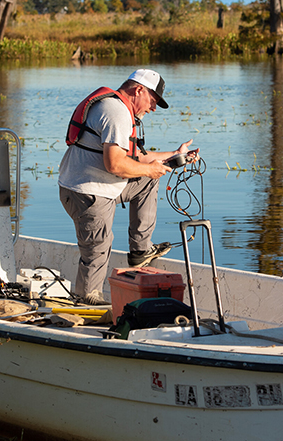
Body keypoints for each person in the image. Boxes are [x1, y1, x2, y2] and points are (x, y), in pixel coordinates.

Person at [58, 68, 199, 304]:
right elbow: (114, 164)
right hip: (87, 192)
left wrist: (175, 155)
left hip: (95, 186)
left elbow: (136, 158)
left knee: (147, 181)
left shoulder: (118, 108)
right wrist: (151, 169)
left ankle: (140, 250)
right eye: (153, 101)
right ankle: (86, 299)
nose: (153, 108)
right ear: (139, 90)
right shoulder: (117, 112)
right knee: (98, 247)